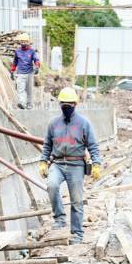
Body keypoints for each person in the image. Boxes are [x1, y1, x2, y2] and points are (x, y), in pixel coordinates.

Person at [38, 87, 102, 245]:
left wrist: (96, 163)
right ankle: (60, 218)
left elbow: (93, 145)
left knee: (77, 200)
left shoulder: (84, 123)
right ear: (60, 104)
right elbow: (47, 145)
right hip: (58, 163)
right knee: (51, 185)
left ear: (76, 104)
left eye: (70, 104)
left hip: (76, 165)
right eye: (64, 104)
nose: (67, 107)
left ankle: (77, 233)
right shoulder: (53, 124)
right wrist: (43, 161)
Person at [10, 33, 40, 109]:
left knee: (29, 91)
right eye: (22, 41)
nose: (24, 43)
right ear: (20, 42)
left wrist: (37, 66)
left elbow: (36, 60)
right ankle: (22, 103)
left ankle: (29, 105)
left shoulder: (32, 51)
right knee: (20, 89)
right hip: (20, 73)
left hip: (29, 73)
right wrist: (12, 71)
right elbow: (15, 62)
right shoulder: (17, 51)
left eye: (25, 41)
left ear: (28, 42)